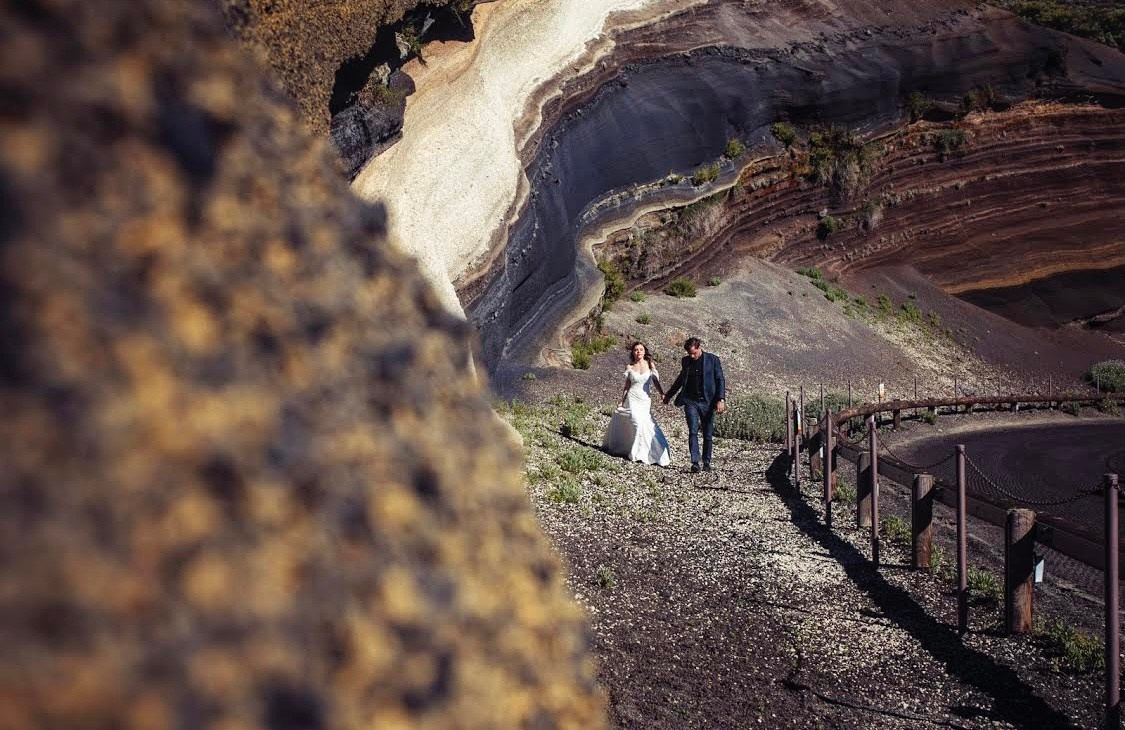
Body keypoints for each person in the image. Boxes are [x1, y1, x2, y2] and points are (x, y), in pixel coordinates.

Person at [602, 342, 671, 466]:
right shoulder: (629, 366)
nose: (638, 351)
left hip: (645, 399)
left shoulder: (650, 365)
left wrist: (662, 393)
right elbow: (627, 386)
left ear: (644, 352)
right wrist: (621, 401)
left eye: (641, 349)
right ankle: (635, 451)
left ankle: (652, 451)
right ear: (633, 352)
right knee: (636, 422)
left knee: (645, 423)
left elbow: (655, 381)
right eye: (635, 350)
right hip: (633, 397)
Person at [663, 336, 726, 473]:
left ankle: (707, 462)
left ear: (699, 347)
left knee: (708, 434)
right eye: (689, 353)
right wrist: (669, 395)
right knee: (693, 431)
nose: (692, 356)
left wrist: (720, 399)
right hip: (690, 401)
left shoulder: (713, 360)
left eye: (694, 353)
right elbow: (680, 379)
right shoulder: (686, 361)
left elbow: (720, 379)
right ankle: (695, 462)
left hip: (708, 402)